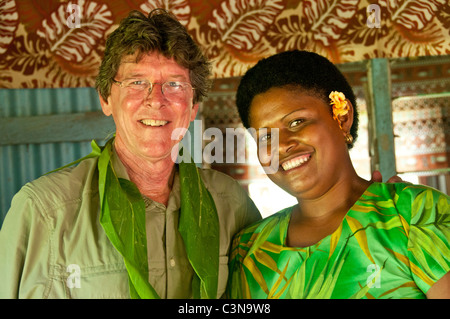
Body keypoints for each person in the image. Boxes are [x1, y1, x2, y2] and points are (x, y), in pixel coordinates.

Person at [0, 9, 261, 299]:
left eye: (174, 84)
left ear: (193, 107)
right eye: (137, 82)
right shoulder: (44, 212)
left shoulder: (233, 206)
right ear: (106, 98)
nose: (156, 100)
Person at [227, 50, 450, 299]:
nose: (281, 145)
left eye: (296, 122)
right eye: (266, 136)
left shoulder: (413, 214)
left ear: (342, 118)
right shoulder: (248, 249)